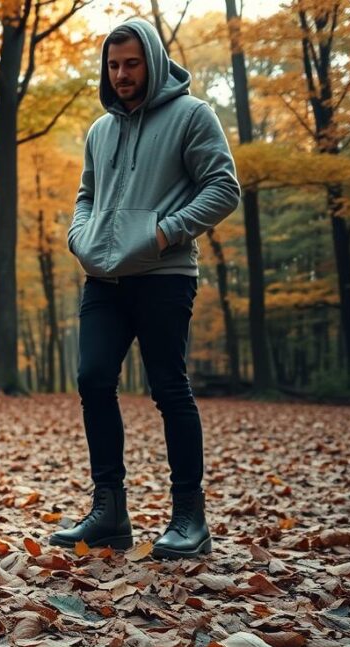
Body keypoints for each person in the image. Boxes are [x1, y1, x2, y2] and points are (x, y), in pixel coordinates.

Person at [49, 18, 240, 559]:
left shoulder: (192, 116)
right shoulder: (99, 131)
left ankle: (189, 517)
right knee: (92, 378)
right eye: (114, 65)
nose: (122, 74)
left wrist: (166, 232)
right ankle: (109, 513)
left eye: (131, 63)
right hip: (103, 278)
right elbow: (87, 194)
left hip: (164, 275)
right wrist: (78, 233)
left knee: (168, 387)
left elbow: (224, 188)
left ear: (152, 61)